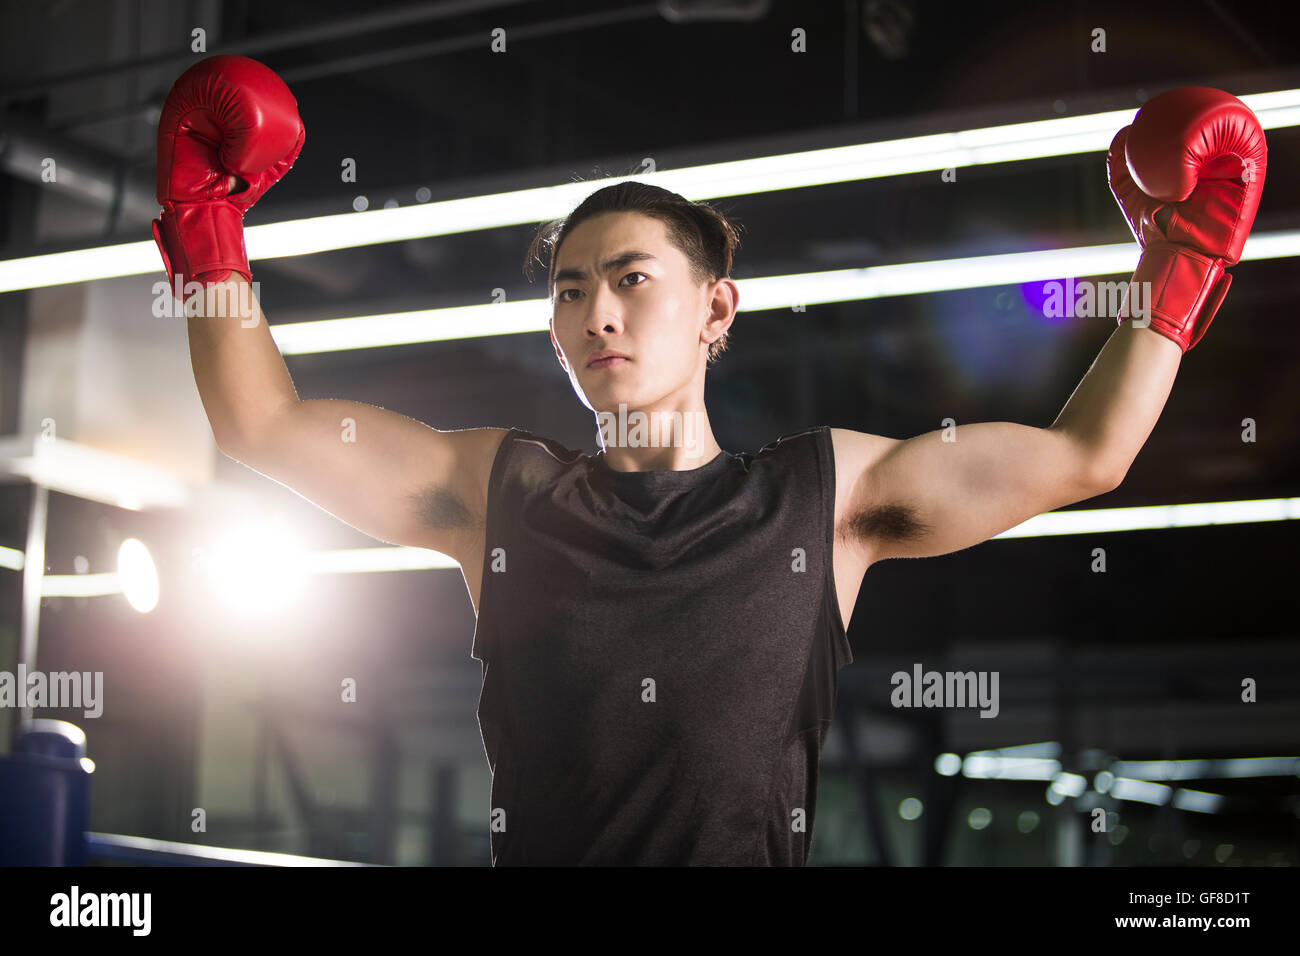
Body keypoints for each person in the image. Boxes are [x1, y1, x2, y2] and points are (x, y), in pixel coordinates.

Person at [156, 57, 1266, 865]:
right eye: (570, 288)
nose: (598, 311)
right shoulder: (499, 491)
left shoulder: (821, 501)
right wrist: (206, 226)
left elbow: (1086, 454)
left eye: (633, 278)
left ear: (715, 309)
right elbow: (262, 424)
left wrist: (1179, 262)